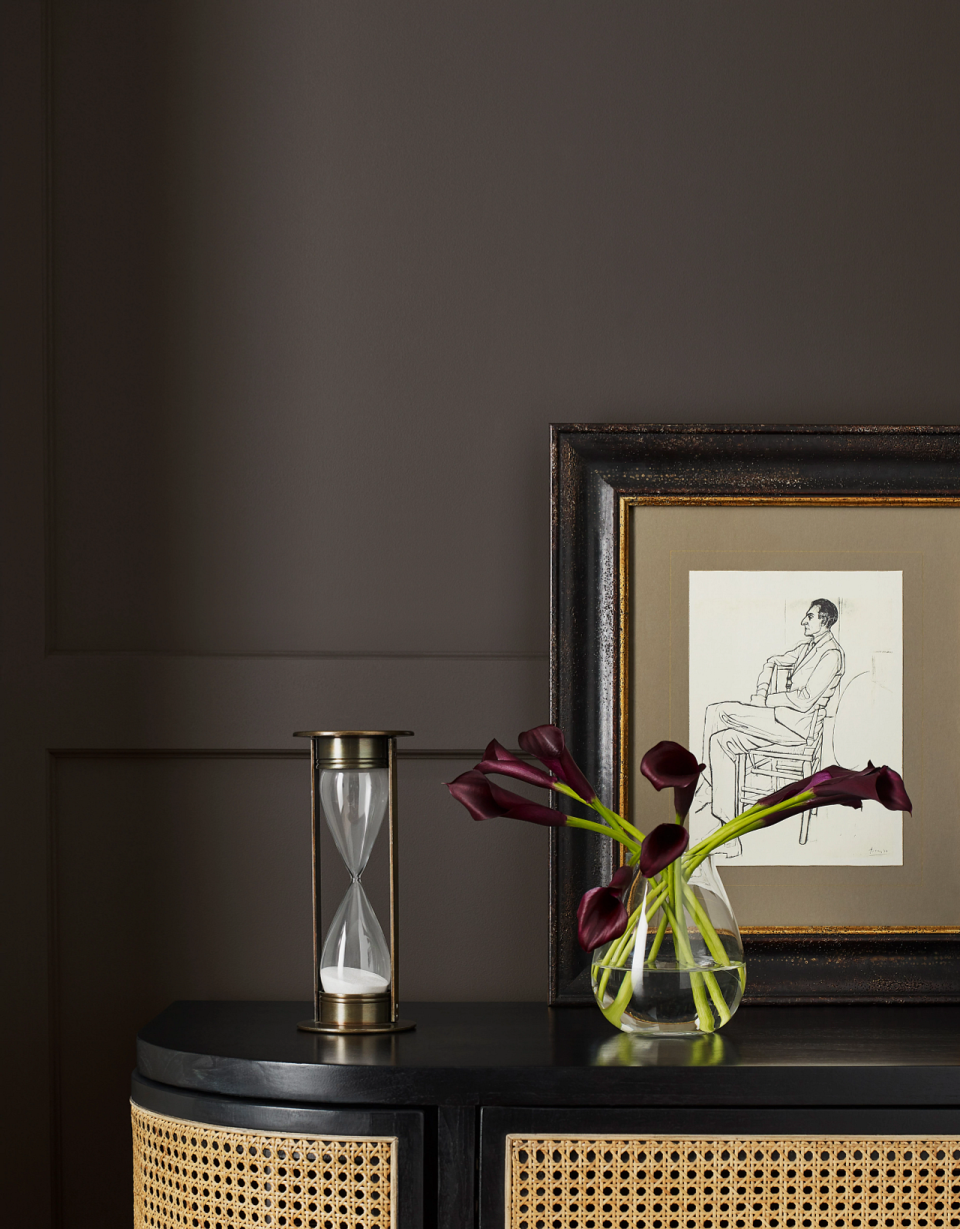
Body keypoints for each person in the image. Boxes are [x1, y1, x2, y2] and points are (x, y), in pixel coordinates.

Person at [698, 599, 845, 847]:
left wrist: (766, 701)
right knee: (722, 740)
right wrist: (761, 692)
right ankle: (729, 832)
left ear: (825, 620)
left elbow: (805, 701)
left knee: (718, 711)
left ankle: (705, 787)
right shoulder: (806, 646)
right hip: (777, 720)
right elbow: (772, 662)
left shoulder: (831, 655)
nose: (804, 621)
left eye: (810, 617)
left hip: (796, 729)